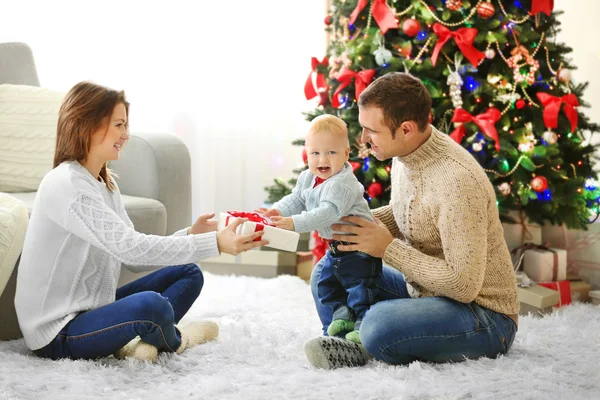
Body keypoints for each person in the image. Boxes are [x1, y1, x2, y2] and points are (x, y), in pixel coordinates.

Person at [14, 81, 268, 362]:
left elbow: (134, 258)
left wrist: (189, 234)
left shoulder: (104, 184)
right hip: (58, 333)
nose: (126, 135)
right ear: (87, 124)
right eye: (119, 125)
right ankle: (177, 340)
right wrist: (214, 243)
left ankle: (147, 340)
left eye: (126, 125)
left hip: (94, 310)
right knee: (151, 305)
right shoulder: (67, 184)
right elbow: (130, 249)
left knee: (188, 273)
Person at [303, 72, 520, 370]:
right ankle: (346, 343)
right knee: (328, 272)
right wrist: (347, 224)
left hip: (484, 315)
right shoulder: (404, 154)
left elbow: (464, 285)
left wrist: (387, 249)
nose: (363, 139)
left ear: (405, 129)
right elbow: (404, 213)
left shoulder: (457, 182)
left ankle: (365, 337)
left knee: (379, 325)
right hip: (426, 291)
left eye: (371, 131)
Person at [257, 115, 382, 343]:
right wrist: (277, 211)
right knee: (326, 285)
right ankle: (342, 317)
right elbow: (296, 199)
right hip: (336, 248)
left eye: (331, 153)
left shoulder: (343, 184)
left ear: (346, 154)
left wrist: (294, 223)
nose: (322, 159)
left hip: (360, 248)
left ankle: (363, 325)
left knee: (360, 289)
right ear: (307, 154)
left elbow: (327, 213)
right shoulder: (308, 178)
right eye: (315, 153)